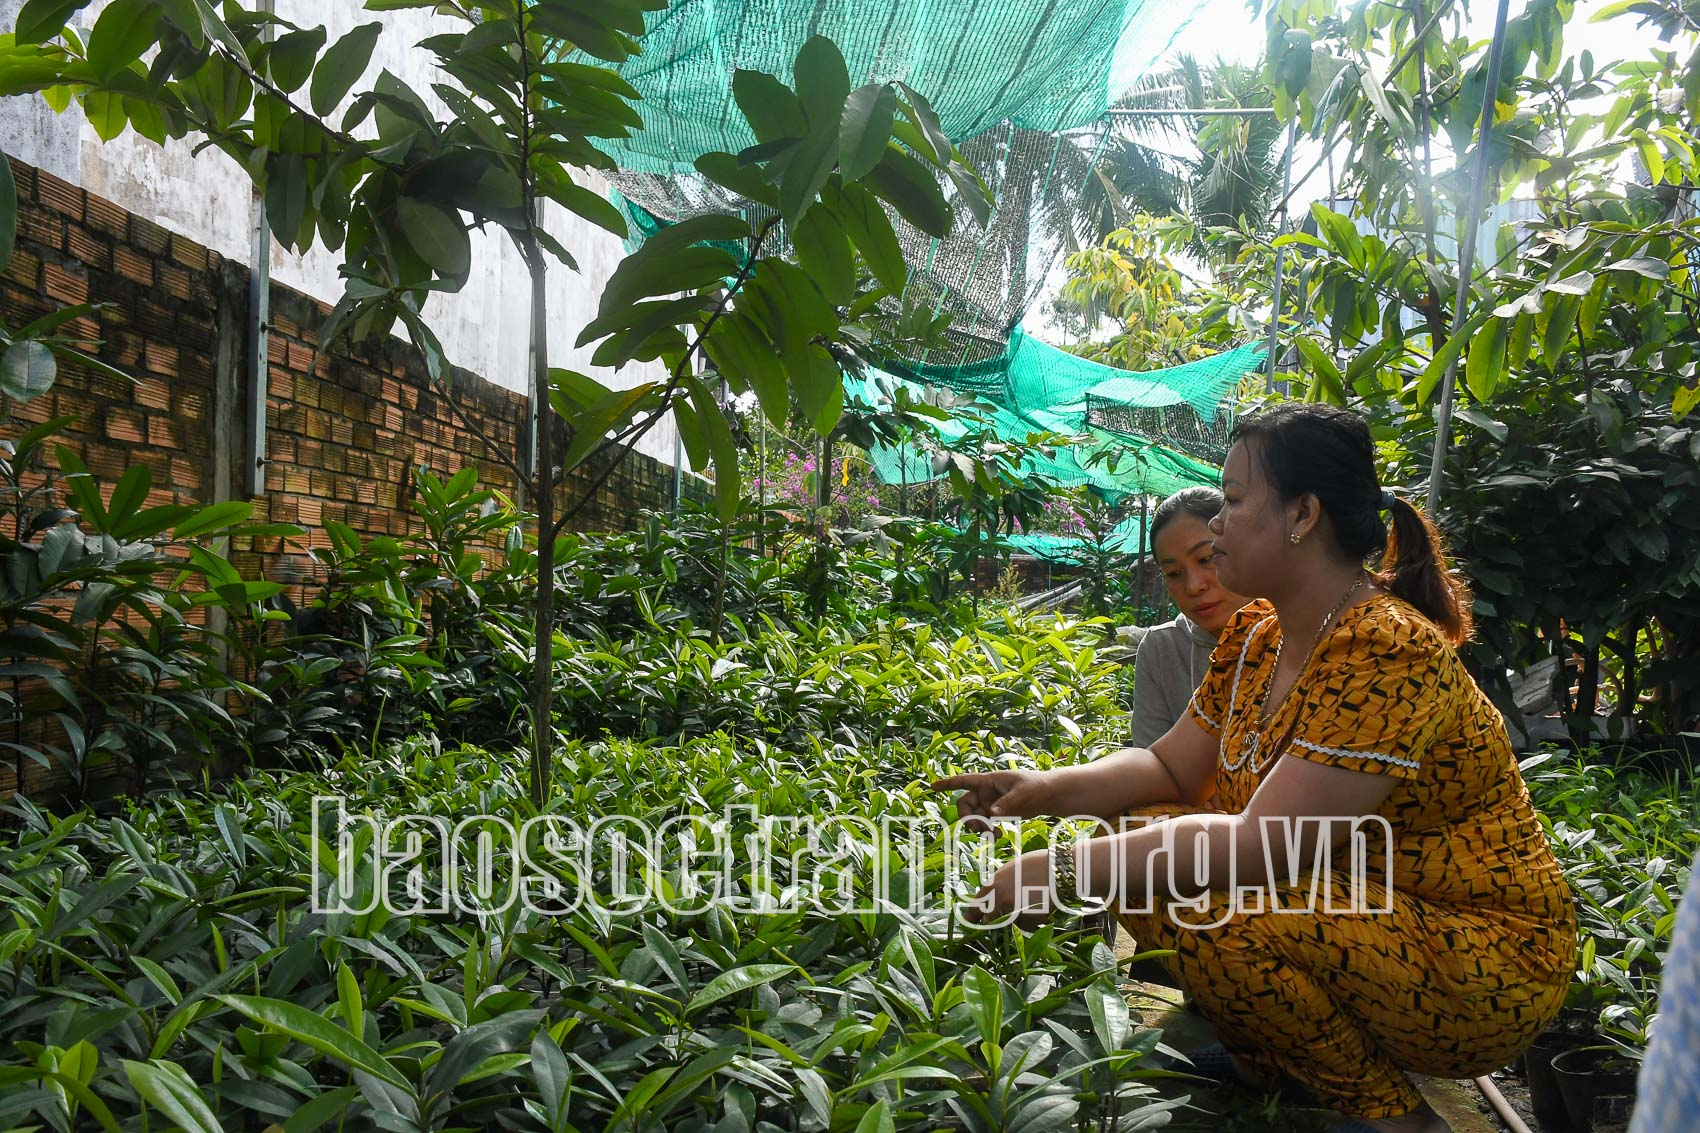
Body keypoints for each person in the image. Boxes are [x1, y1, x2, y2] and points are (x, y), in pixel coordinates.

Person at [934, 403, 1577, 1133]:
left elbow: (1261, 845)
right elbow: (1168, 767)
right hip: (1364, 913)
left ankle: (1398, 1119)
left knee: (1212, 903)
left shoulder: (1385, 651)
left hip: (1477, 958)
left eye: (1234, 501)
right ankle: (1267, 1059)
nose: (1216, 526)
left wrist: (1062, 870)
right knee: (1141, 830)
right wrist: (1041, 791)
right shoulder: (1257, 636)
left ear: (1303, 515)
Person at [1129, 487, 1254, 749]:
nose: (1193, 586)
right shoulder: (1161, 649)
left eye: (1206, 559)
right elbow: (1151, 763)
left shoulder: (1296, 635)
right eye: (1174, 573)